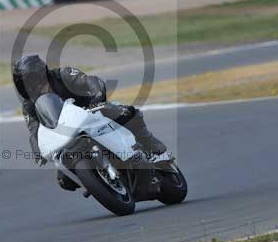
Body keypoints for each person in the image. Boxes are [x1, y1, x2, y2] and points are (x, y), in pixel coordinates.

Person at [12, 55, 167, 178]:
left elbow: (90, 81)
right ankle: (97, 180)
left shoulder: (63, 75)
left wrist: (97, 95)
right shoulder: (29, 105)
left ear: (40, 75)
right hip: (67, 133)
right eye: (22, 82)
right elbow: (35, 130)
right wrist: (37, 151)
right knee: (64, 179)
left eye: (29, 80)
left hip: (91, 110)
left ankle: (153, 149)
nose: (27, 85)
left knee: (127, 113)